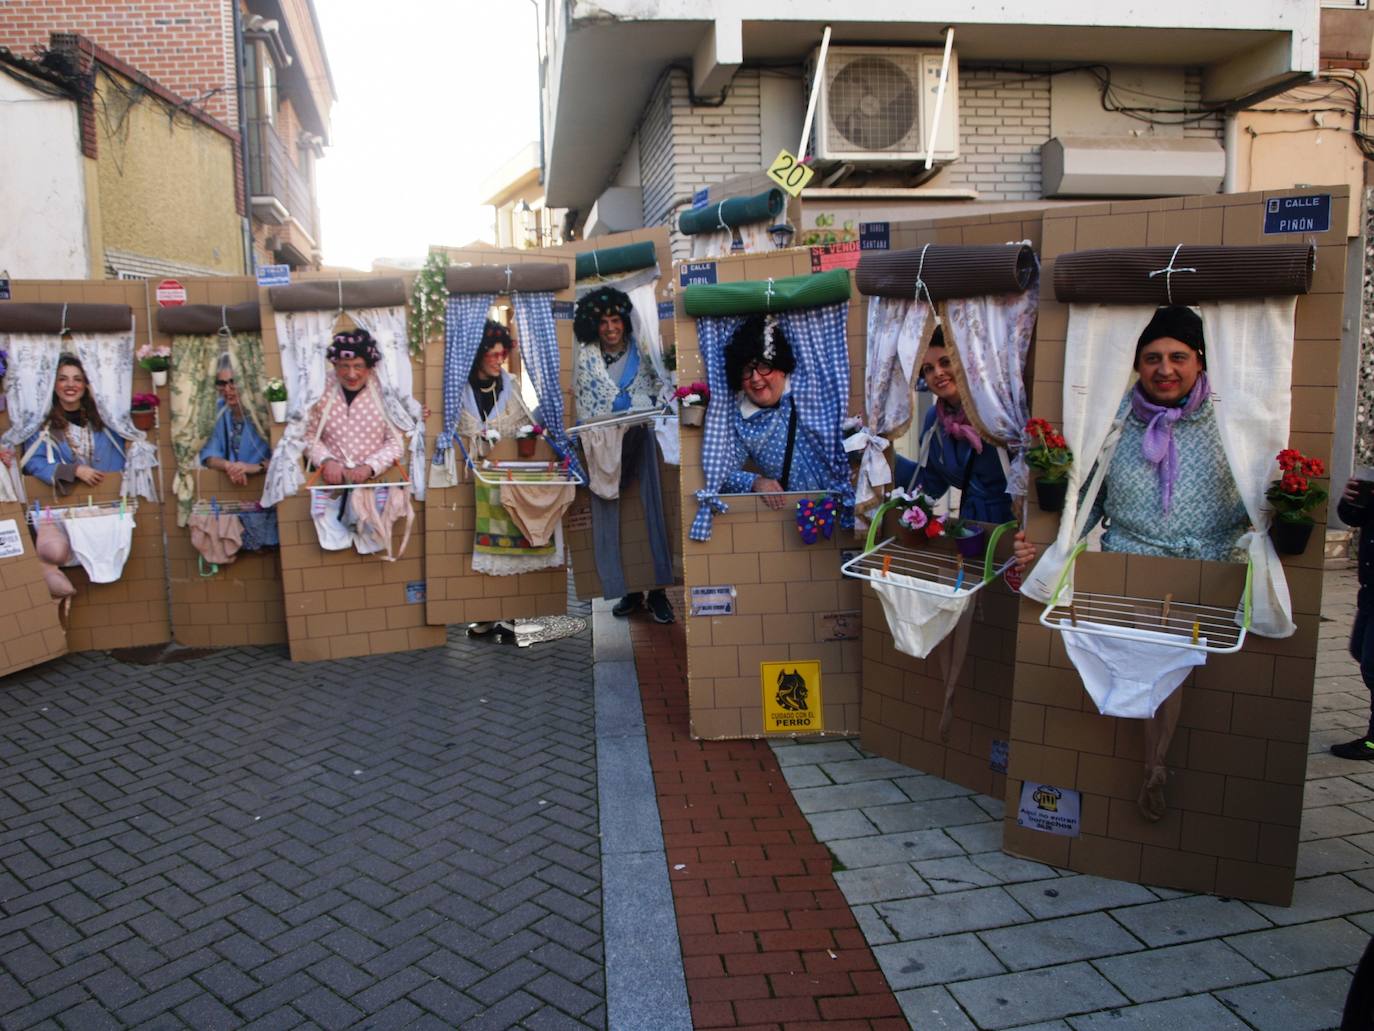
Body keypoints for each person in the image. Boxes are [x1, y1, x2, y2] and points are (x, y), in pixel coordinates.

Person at [574, 286, 674, 624]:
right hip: (602, 446)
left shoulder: (644, 351)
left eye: (616, 319)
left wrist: (636, 410)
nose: (610, 327)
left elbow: (658, 387)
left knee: (652, 512)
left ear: (625, 321)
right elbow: (583, 397)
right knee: (617, 512)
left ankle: (659, 591)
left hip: (642, 438)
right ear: (594, 325)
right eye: (603, 321)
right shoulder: (585, 357)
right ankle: (630, 590)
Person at [893, 327, 1013, 523]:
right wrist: (888, 459)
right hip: (970, 526)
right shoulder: (934, 421)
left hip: (1012, 525)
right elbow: (931, 484)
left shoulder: (996, 411)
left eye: (945, 362)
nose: (938, 373)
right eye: (928, 369)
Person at [720, 315, 831, 509]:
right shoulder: (742, 423)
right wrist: (755, 482)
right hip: (803, 517)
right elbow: (720, 474)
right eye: (747, 371)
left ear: (781, 368)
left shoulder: (809, 392)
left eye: (764, 366)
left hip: (847, 501)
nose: (755, 378)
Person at [305, 328, 404, 485]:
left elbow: (396, 441)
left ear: (370, 367)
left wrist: (370, 466)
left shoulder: (384, 391)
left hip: (375, 485)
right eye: (345, 366)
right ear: (335, 366)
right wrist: (327, 460)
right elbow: (308, 435)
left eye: (358, 366)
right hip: (331, 487)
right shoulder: (321, 388)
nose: (351, 374)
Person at [19, 353, 126, 493]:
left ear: (85, 384)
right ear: (53, 384)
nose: (71, 385)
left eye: (78, 379)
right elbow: (33, 462)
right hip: (65, 504)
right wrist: (73, 471)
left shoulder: (105, 420)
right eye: (63, 379)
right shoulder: (42, 424)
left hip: (109, 497)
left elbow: (120, 456)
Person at [1332, 475, 1374, 759]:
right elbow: (1353, 518)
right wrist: (1349, 501)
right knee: (1360, 651)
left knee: (1373, 665)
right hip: (1369, 591)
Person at [200, 355, 270, 486]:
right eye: (222, 383)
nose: (227, 389)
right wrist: (230, 467)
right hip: (230, 485)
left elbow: (281, 458)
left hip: (264, 484)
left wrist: (253, 467)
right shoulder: (217, 410)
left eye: (233, 382)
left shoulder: (263, 411)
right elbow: (209, 456)